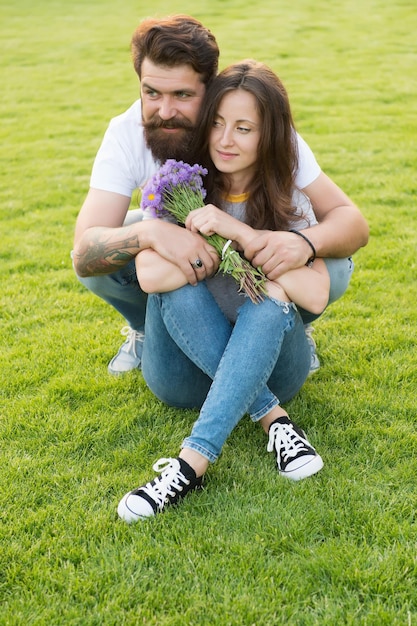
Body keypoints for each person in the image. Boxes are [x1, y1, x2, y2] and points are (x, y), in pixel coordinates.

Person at [116, 60, 352, 522]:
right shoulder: (181, 186)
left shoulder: (289, 197)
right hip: (181, 376)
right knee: (181, 289)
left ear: (270, 136)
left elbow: (316, 294)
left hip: (273, 365)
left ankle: (190, 465)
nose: (225, 140)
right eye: (219, 124)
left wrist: (235, 235)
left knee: (274, 301)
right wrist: (222, 252)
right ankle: (273, 418)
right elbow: (152, 277)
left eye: (243, 128)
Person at [72, 14, 369, 377]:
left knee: (333, 260)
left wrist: (304, 244)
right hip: (183, 267)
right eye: (152, 92)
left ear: (210, 88)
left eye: (182, 95)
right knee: (112, 248)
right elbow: (83, 252)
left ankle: (295, 325)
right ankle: (145, 330)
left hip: (258, 253)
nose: (165, 111)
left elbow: (351, 219)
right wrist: (153, 233)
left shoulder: (256, 125)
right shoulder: (125, 133)